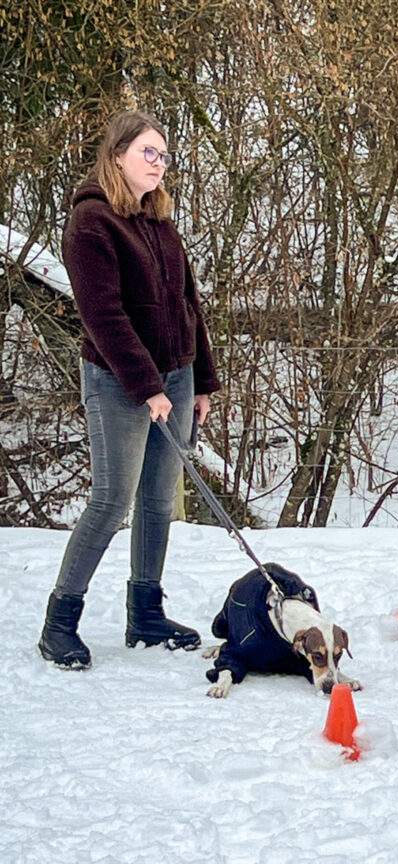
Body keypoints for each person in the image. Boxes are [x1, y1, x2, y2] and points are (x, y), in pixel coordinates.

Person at [38, 111, 221, 669]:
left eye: (164, 155)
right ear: (117, 154)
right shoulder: (91, 223)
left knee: (158, 501)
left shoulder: (160, 221)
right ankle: (59, 622)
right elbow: (103, 317)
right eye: (148, 152)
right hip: (119, 381)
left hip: (176, 375)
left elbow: (189, 305)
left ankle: (145, 613)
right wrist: (147, 387)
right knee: (112, 499)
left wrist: (202, 381)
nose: (158, 163)